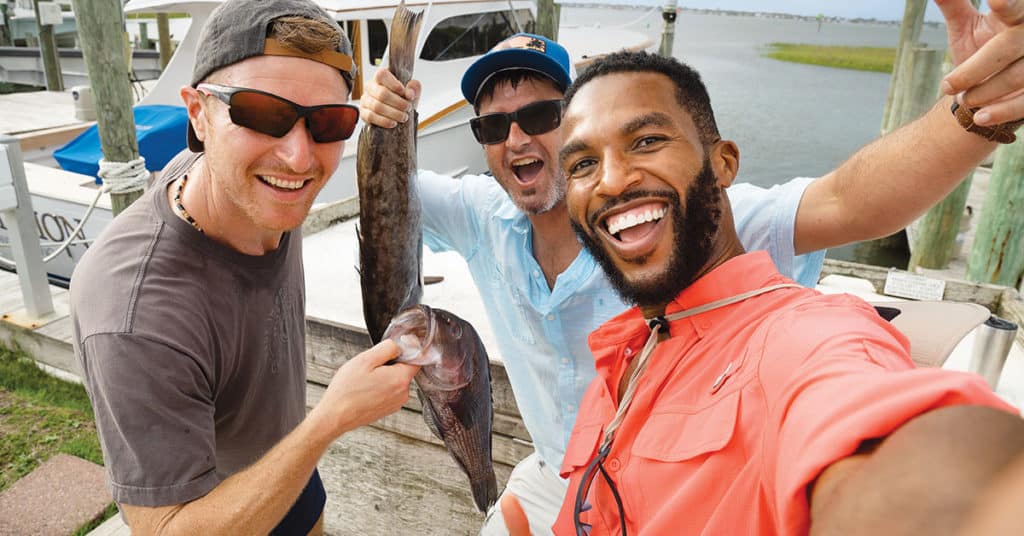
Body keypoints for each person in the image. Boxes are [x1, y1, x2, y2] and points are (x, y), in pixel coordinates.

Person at [358, 0, 1024, 533]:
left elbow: (847, 207)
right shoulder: (487, 218)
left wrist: (973, 111)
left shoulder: (702, 229)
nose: (516, 138)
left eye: (541, 115)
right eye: (491, 127)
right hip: (560, 471)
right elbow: (359, 188)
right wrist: (372, 117)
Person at [551, 46, 1024, 536]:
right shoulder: (624, 348)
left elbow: (903, 463)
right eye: (582, 164)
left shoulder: (797, 338)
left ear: (723, 164)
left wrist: (978, 105)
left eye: (647, 141)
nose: (610, 180)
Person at [68, 1, 419, 534]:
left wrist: (380, 111)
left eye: (328, 121)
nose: (299, 157)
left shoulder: (253, 183)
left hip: (291, 464)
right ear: (198, 114)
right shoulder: (134, 314)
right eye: (261, 114)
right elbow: (167, 528)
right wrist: (329, 421)